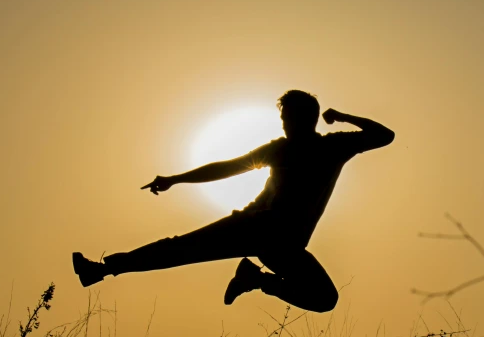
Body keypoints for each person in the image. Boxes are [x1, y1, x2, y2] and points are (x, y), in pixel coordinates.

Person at [72, 90, 394, 312]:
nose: (283, 124)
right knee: (180, 249)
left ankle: (255, 279)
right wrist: (177, 179)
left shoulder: (331, 146)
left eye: (286, 118)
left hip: (284, 245)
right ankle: (100, 269)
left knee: (324, 299)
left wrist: (341, 116)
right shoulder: (288, 149)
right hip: (255, 227)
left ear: (299, 119)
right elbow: (226, 168)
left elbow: (385, 134)